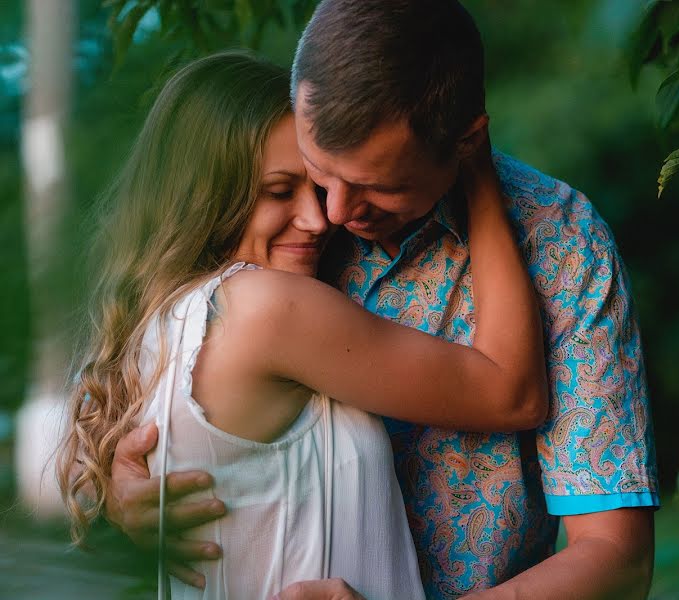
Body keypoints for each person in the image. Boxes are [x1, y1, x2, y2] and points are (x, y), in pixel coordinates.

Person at [108, 1, 661, 598]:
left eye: (379, 186)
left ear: (466, 141)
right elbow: (142, 384)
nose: (333, 215)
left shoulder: (557, 243)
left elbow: (615, 557)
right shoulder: (272, 244)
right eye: (321, 172)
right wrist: (127, 490)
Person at [56, 51, 550, 600]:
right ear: (205, 195)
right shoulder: (265, 306)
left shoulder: (170, 319)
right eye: (277, 192)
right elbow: (512, 394)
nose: (321, 218)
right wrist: (476, 173)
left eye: (316, 185)